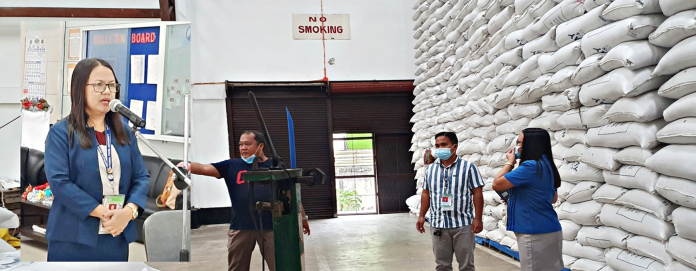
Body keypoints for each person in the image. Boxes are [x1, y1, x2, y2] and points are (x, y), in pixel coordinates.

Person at [44, 58, 149, 261]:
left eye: (111, 85)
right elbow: (59, 183)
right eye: (98, 85)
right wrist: (104, 213)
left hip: (115, 234)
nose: (107, 91)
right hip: (74, 237)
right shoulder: (61, 133)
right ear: (79, 89)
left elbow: (141, 176)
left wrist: (129, 212)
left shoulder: (124, 132)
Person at [179, 131, 310, 271]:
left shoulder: (276, 167)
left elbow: (291, 194)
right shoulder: (231, 166)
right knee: (237, 267)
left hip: (271, 226)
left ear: (260, 147)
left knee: (279, 266)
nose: (243, 148)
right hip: (241, 226)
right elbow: (205, 167)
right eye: (241, 144)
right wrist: (186, 166)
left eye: (248, 144)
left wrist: (302, 218)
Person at [492, 128, 563, 271]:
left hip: (533, 231)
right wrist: (517, 198)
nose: (516, 146)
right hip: (549, 229)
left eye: (519, 142)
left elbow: (497, 183)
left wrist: (510, 163)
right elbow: (552, 198)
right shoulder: (547, 165)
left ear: (531, 144)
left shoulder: (531, 166)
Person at [416, 132, 485, 271]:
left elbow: (477, 193)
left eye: (443, 144)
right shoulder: (430, 170)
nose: (440, 148)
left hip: (463, 224)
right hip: (438, 224)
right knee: (442, 266)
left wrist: (478, 218)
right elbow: (426, 193)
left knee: (466, 266)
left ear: (455, 147)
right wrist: (422, 215)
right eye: (437, 145)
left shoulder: (468, 168)